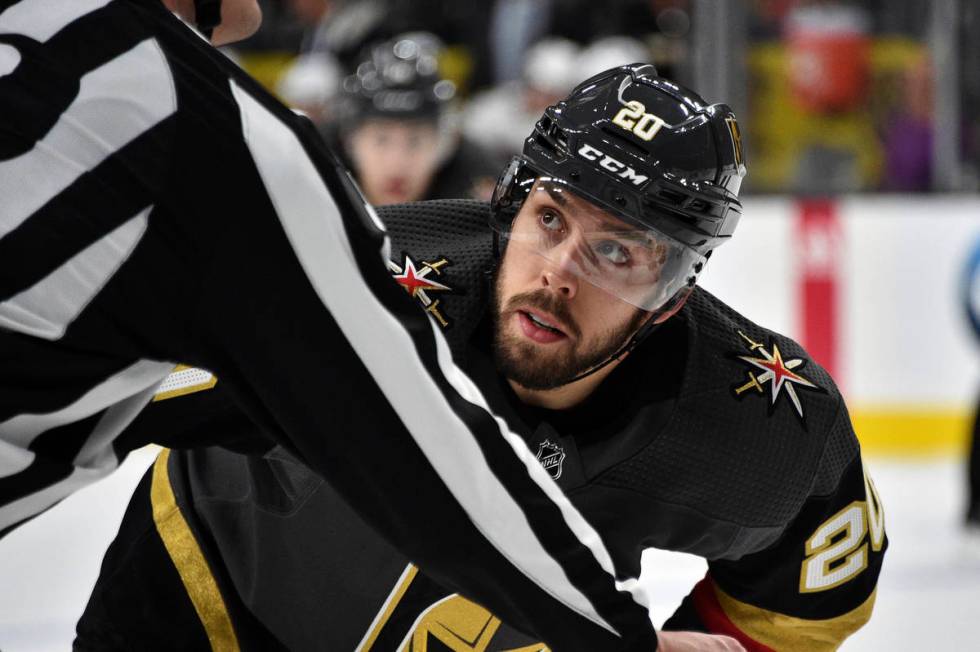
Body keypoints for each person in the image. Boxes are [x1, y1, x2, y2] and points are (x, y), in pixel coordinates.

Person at [75, 64, 884, 651]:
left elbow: (811, 597)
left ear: (673, 294)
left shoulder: (764, 423)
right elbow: (79, 381)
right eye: (553, 220)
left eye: (618, 252)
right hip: (200, 603)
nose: (559, 273)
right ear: (511, 203)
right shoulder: (354, 274)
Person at [0, 2, 665, 649]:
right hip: (231, 541)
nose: (399, 159)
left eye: (415, 138)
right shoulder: (240, 151)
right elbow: (418, 449)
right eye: (381, 137)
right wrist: (617, 633)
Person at [329, 33, 502, 205]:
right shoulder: (316, 178)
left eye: (415, 141)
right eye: (381, 140)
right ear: (350, 141)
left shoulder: (482, 197)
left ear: (445, 145)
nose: (396, 164)